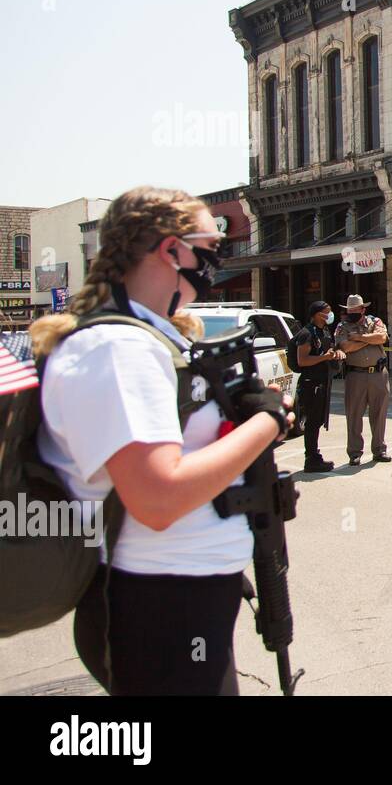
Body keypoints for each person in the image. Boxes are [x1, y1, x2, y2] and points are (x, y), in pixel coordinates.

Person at [29, 186, 295, 695]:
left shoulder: (148, 335)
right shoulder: (117, 347)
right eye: (209, 240)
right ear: (171, 250)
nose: (218, 252)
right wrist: (269, 423)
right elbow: (157, 498)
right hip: (160, 605)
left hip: (184, 596)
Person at [335, 294, 391, 466]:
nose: (351, 312)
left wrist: (359, 338)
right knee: (354, 415)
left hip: (378, 374)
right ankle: (354, 452)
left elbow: (381, 338)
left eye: (355, 310)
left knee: (379, 413)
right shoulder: (342, 326)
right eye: (349, 310)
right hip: (355, 375)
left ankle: (379, 450)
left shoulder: (375, 321)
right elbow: (346, 347)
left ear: (362, 309)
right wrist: (369, 339)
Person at [293, 300, 346, 473]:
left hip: (323, 382)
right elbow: (303, 360)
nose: (330, 314)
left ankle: (315, 456)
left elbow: (330, 349)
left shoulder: (323, 331)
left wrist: (336, 353)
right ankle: (311, 459)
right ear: (317, 314)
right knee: (312, 422)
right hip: (311, 384)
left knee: (317, 422)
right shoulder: (306, 334)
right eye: (327, 311)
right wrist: (324, 358)